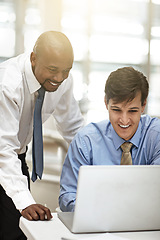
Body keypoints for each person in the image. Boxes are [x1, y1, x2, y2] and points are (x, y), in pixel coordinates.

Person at [0, 31, 84, 240]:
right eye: (53, 70)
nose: (59, 78)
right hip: (4, 154)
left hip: (16, 159)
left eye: (66, 70)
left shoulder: (63, 80)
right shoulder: (8, 84)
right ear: (33, 59)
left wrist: (98, 169)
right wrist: (24, 200)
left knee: (20, 230)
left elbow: (73, 128)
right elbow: (3, 148)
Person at [59, 66, 160, 212]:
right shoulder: (85, 142)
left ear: (143, 105)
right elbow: (68, 196)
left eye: (132, 111)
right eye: (116, 110)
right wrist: (99, 212)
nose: (124, 121)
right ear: (106, 103)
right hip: (97, 226)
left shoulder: (156, 137)